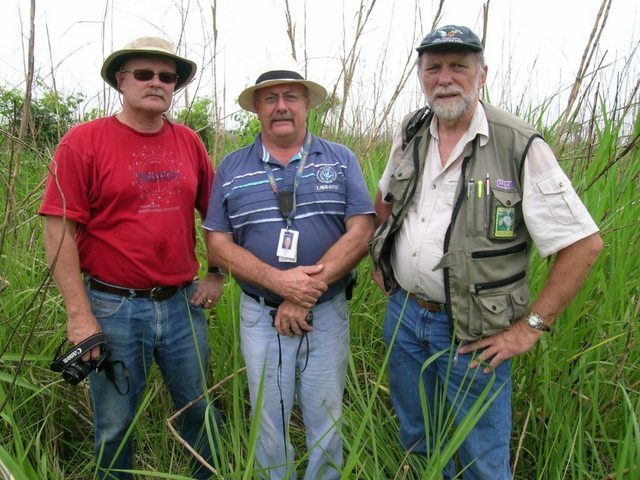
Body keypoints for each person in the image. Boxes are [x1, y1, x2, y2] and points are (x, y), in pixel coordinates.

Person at [369, 25, 603, 479]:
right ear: (420, 75)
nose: (445, 78)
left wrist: (529, 328)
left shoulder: (519, 143)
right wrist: (382, 255)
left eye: (459, 66)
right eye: (433, 67)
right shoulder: (412, 130)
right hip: (402, 317)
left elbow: (583, 244)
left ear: (482, 74)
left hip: (473, 334)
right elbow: (385, 200)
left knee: (481, 458)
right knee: (417, 439)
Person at [39, 36, 223, 479]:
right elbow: (58, 229)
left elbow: (216, 214)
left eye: (167, 76)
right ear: (121, 80)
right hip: (112, 306)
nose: (156, 83)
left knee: (199, 410)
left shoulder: (189, 144)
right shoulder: (83, 143)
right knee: (116, 424)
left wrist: (215, 273)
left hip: (182, 305)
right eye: (144, 74)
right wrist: (79, 316)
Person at [204, 68, 375, 479]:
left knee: (326, 416)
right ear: (257, 109)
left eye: (291, 97)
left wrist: (304, 291)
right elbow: (217, 244)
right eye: (270, 98)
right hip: (259, 315)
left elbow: (363, 229)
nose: (281, 106)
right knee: (268, 420)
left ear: (307, 105)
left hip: (326, 312)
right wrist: (280, 284)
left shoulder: (340, 158)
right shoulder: (231, 167)